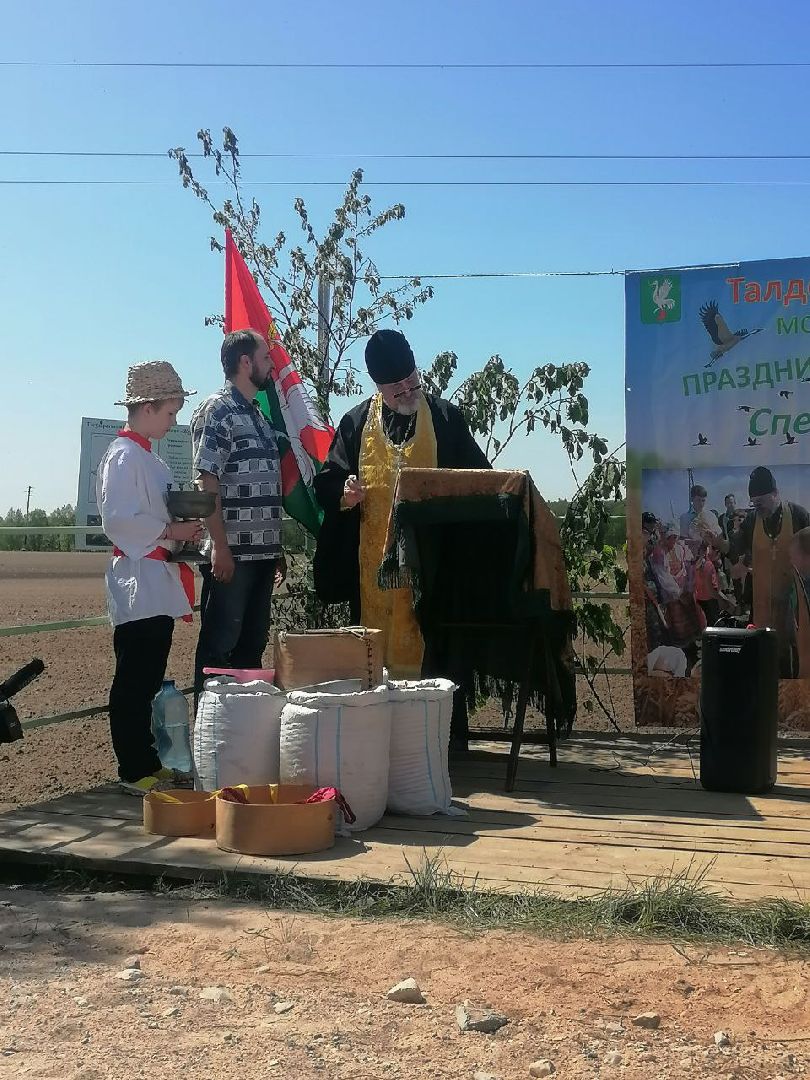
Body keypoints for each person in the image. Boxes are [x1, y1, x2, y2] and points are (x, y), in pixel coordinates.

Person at [313, 329, 490, 741]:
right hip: (371, 570)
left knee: (437, 656)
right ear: (379, 386)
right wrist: (344, 492)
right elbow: (326, 481)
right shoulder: (355, 423)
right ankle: (375, 739)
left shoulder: (446, 419)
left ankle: (441, 741)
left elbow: (480, 479)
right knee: (373, 655)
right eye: (398, 388)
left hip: (433, 570)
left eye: (413, 380)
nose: (409, 390)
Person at [97, 361, 201, 795]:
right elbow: (117, 519)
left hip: (156, 576)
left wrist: (179, 534)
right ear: (148, 407)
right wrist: (169, 531)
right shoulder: (123, 456)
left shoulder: (149, 458)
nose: (174, 419)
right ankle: (132, 767)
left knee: (149, 671)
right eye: (171, 412)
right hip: (138, 578)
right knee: (134, 678)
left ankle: (146, 760)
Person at [191, 329, 287, 698]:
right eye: (266, 358)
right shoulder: (217, 410)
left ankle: (240, 736)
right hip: (233, 555)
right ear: (245, 363)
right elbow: (207, 479)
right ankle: (210, 739)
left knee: (250, 650)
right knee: (219, 649)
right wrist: (220, 545)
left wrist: (275, 548)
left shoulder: (258, 416)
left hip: (261, 555)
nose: (271, 365)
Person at [706, 466, 810, 676]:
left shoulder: (799, 515)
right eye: (754, 503)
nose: (757, 508)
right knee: (766, 657)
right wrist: (718, 543)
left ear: (775, 493)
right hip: (762, 604)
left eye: (760, 502)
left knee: (795, 657)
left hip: (793, 605)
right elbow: (734, 548)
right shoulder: (753, 520)